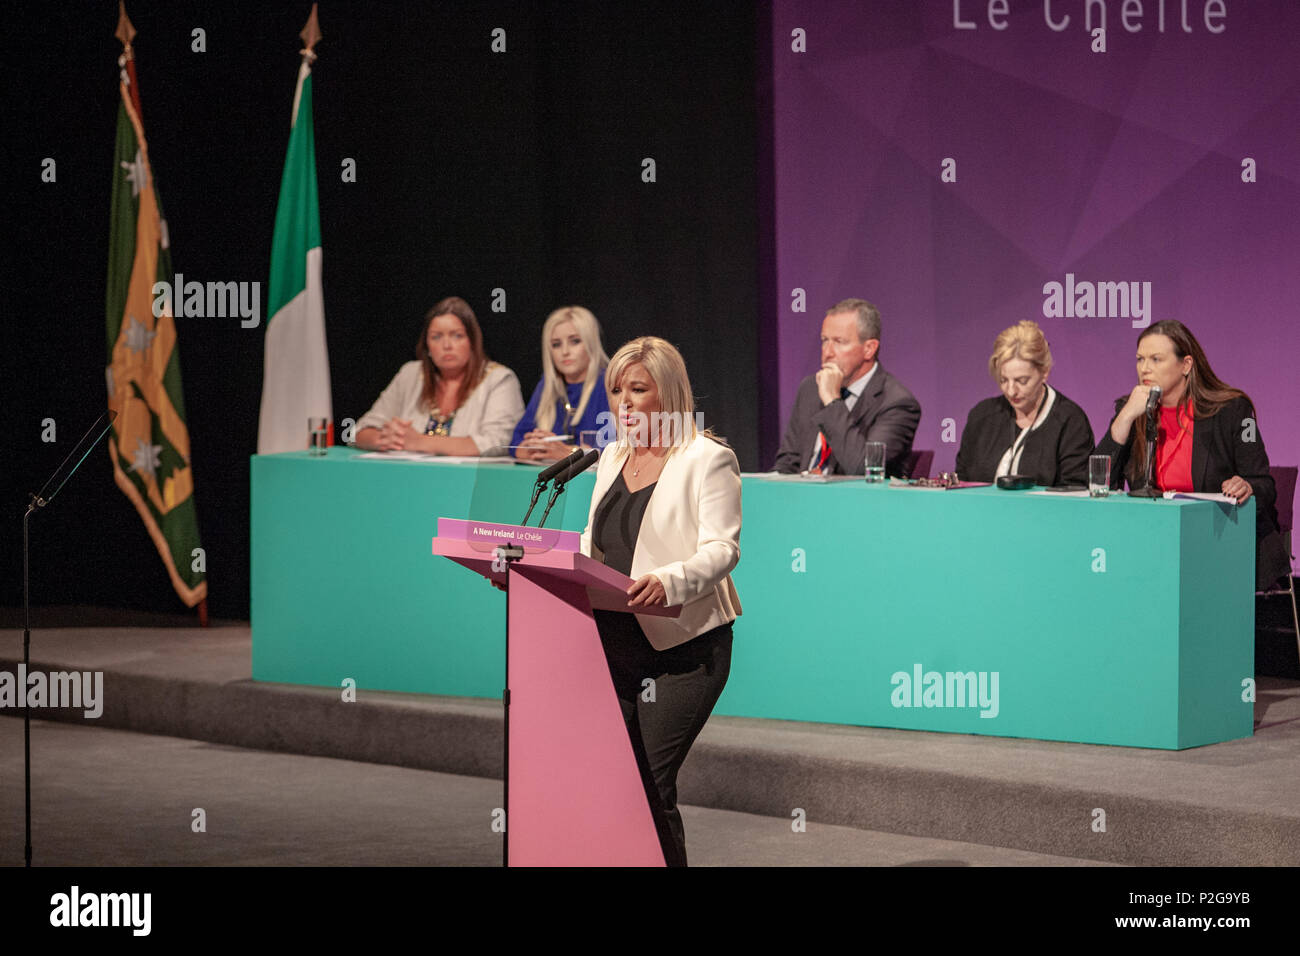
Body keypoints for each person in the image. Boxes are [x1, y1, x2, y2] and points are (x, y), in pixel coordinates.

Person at [579, 336, 741, 867]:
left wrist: (671, 581)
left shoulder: (707, 458)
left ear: (667, 394)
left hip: (684, 650)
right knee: (615, 781)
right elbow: (590, 545)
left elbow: (723, 549)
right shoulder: (609, 457)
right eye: (615, 390)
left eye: (637, 389)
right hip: (615, 642)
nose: (623, 403)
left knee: (650, 779)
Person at [1094, 319, 1288, 590]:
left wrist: (1245, 486)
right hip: (1154, 544)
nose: (1144, 368)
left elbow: (1264, 486)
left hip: (1218, 542)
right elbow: (1096, 484)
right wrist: (1124, 418)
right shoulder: (1132, 410)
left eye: (1156, 359)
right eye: (1139, 359)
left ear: (1185, 365)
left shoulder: (1233, 410)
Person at [354, 296, 524, 455]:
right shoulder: (411, 374)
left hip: (471, 483)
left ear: (472, 341)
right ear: (427, 345)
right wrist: (385, 439)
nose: (447, 345)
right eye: (436, 337)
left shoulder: (499, 379)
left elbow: (499, 442)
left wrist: (420, 442)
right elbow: (360, 431)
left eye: (457, 336)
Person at [773, 298, 921, 476]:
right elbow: (788, 462)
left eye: (839, 341)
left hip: (857, 502)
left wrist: (832, 401)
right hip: (802, 499)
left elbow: (864, 470)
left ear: (869, 349)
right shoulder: (810, 388)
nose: (827, 352)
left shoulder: (897, 403)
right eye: (824, 340)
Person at [955, 320, 1094, 485]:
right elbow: (962, 484)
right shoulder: (981, 416)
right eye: (1003, 380)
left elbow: (1074, 492)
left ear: (1044, 372)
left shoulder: (1070, 421)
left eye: (1022, 381)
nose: (1011, 391)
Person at [512, 306, 611, 461]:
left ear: (591, 343)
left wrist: (569, 452)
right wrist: (529, 450)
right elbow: (516, 440)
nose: (565, 351)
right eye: (556, 344)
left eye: (575, 341)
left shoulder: (609, 384)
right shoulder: (547, 385)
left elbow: (619, 449)